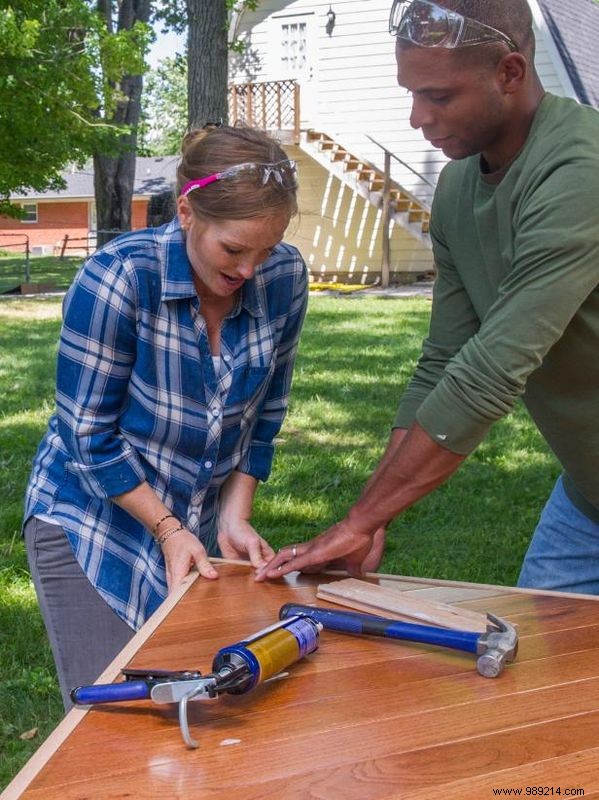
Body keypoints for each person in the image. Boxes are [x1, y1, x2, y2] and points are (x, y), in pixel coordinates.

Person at [257, 0, 599, 593]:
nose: (418, 118)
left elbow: (491, 370)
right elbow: (443, 361)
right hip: (588, 497)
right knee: (539, 675)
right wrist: (374, 515)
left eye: (439, 97)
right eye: (411, 94)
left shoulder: (579, 171)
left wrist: (358, 521)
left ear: (510, 74)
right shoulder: (459, 187)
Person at [24, 125, 308, 708]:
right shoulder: (120, 278)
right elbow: (88, 435)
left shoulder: (285, 280)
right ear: (187, 212)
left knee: (206, 706)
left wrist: (234, 513)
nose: (251, 270)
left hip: (193, 526)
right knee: (115, 716)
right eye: (234, 250)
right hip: (92, 520)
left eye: (267, 249)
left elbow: (267, 411)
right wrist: (167, 528)